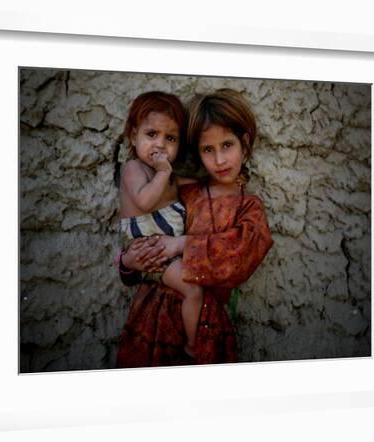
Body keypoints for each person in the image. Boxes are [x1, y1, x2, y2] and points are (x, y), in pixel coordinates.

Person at [116, 89, 274, 367]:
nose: (220, 160)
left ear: (245, 143)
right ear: (196, 151)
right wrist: (128, 261)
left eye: (227, 145)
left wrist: (181, 244)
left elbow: (239, 257)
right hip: (151, 320)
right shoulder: (182, 192)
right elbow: (141, 248)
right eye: (208, 150)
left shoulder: (248, 208)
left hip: (204, 326)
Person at [116, 91, 203, 358]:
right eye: (151, 134)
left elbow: (199, 185)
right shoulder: (134, 169)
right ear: (133, 137)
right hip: (151, 255)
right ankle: (192, 344)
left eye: (171, 138)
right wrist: (164, 172)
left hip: (163, 255)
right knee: (194, 290)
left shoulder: (170, 177)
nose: (161, 145)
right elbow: (143, 201)